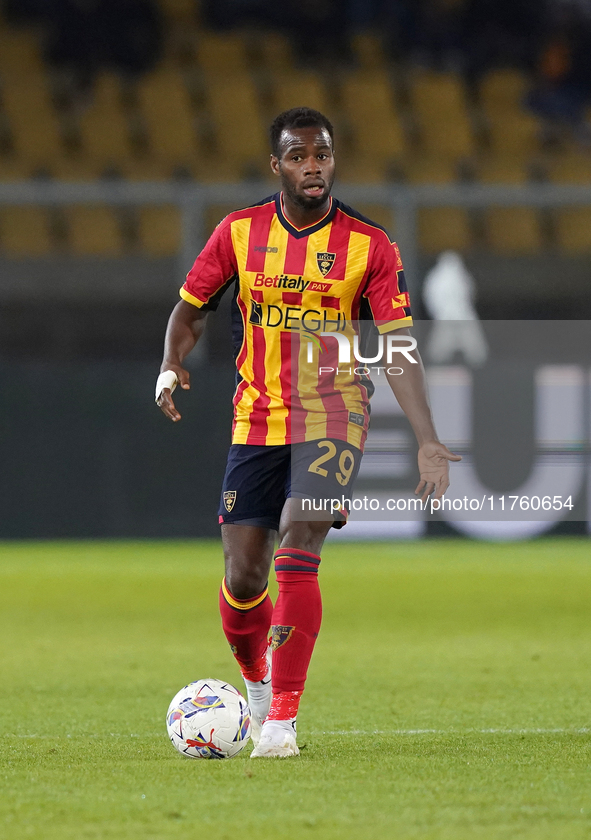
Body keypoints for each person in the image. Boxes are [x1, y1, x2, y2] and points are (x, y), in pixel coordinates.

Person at [156, 107, 460, 758]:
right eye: (298, 157)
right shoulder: (238, 233)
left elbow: (398, 345)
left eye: (321, 154)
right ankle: (256, 687)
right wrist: (172, 362)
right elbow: (190, 308)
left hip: (334, 410)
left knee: (300, 534)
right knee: (242, 575)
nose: (313, 167)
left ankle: (281, 724)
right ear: (277, 166)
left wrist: (426, 436)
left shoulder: (370, 246)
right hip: (256, 413)